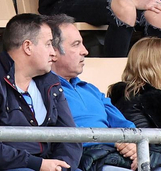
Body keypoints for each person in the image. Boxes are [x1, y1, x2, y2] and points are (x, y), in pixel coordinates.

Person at [0, 14, 80, 171]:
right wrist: (38, 164)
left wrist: (60, 166)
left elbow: (71, 138)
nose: (53, 53)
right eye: (48, 44)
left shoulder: (51, 83)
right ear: (27, 47)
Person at [48, 16, 145, 171]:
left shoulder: (90, 89)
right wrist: (114, 141)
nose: (85, 51)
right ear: (53, 51)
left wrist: (132, 146)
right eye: (76, 44)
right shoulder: (42, 90)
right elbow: (64, 138)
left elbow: (125, 125)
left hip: (115, 156)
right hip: (87, 159)